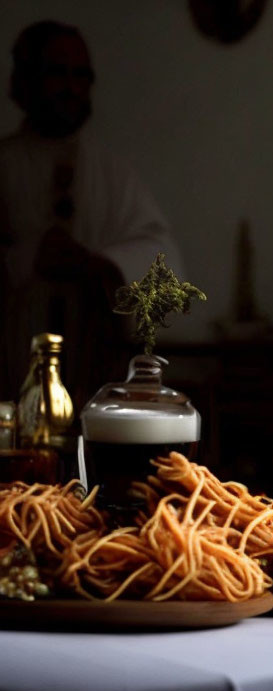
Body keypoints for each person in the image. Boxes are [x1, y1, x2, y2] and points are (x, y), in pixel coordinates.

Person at [0, 20, 183, 410]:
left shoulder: (112, 173)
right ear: (25, 80)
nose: (70, 87)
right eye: (57, 73)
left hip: (92, 376)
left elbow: (163, 257)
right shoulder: (5, 165)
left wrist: (102, 266)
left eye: (80, 75)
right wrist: (30, 258)